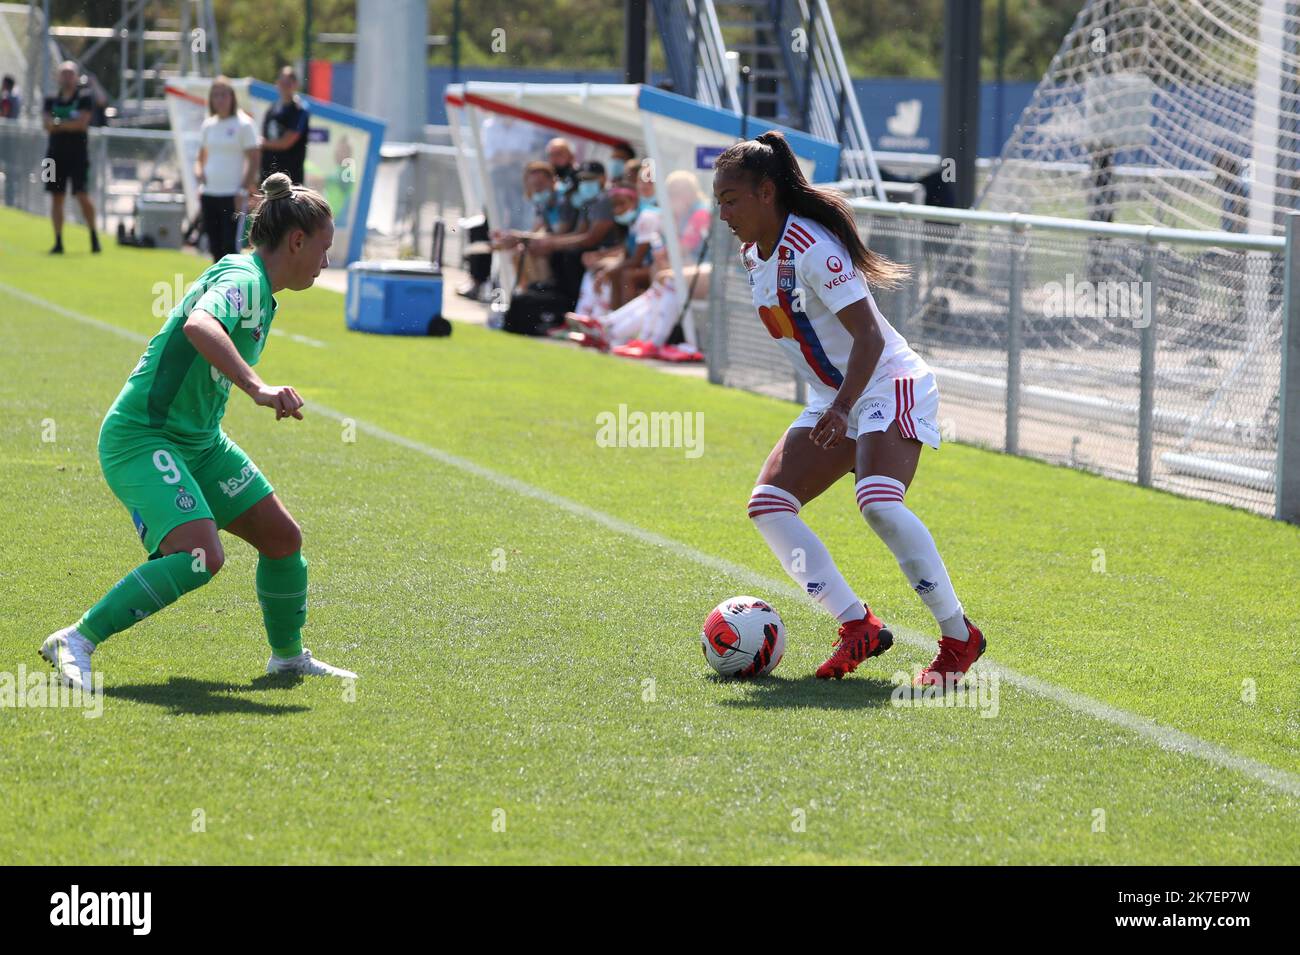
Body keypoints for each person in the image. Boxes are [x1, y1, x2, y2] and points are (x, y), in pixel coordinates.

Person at [39, 173, 356, 690]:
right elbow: (200, 325)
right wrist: (257, 388)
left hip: (198, 441)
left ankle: (288, 657)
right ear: (297, 241)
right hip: (144, 436)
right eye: (324, 249)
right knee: (199, 557)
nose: (325, 262)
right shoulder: (247, 280)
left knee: (282, 539)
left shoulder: (256, 281)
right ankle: (77, 638)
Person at [713, 131, 985, 686]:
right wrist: (833, 405)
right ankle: (857, 624)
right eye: (718, 201)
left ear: (766, 193)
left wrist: (842, 407)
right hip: (835, 398)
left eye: (731, 200)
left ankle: (959, 638)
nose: (722, 213)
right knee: (768, 505)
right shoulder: (752, 254)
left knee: (878, 503)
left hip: (888, 382)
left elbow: (869, 338)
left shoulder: (811, 247)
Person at [195, 76, 259, 261]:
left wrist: (242, 190)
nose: (220, 99)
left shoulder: (244, 124)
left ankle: (235, 290)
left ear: (232, 97)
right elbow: (201, 158)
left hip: (233, 195)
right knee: (214, 248)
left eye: (224, 95)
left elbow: (254, 159)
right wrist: (199, 173)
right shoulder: (209, 125)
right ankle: (219, 288)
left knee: (230, 248)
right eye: (216, 95)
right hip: (210, 194)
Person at [42, 62, 99, 254]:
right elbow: (46, 124)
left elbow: (82, 124)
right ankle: (58, 241)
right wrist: (67, 123)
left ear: (76, 77)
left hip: (78, 155)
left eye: (70, 74)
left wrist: (59, 123)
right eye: (63, 73)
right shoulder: (51, 99)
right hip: (54, 156)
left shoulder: (84, 98)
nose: (66, 77)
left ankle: (93, 236)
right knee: (56, 197)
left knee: (82, 195)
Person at [260, 67, 310, 185]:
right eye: (282, 82)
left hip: (291, 177)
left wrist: (263, 143)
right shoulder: (272, 109)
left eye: (288, 83)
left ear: (295, 84)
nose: (284, 86)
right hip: (269, 174)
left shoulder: (299, 110)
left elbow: (286, 142)